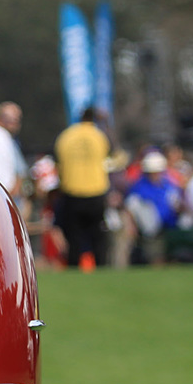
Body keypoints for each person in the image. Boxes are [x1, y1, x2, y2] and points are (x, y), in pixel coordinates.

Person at [53, 108, 112, 271]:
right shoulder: (99, 136)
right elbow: (112, 155)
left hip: (72, 191)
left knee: (74, 237)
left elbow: (59, 164)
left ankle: (73, 268)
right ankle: (100, 268)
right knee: (97, 237)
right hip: (96, 191)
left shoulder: (66, 136)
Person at [125, 151, 183, 265]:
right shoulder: (139, 187)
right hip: (151, 232)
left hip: (170, 228)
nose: (155, 175)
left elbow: (176, 202)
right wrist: (132, 226)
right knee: (155, 258)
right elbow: (130, 207)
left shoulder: (168, 186)